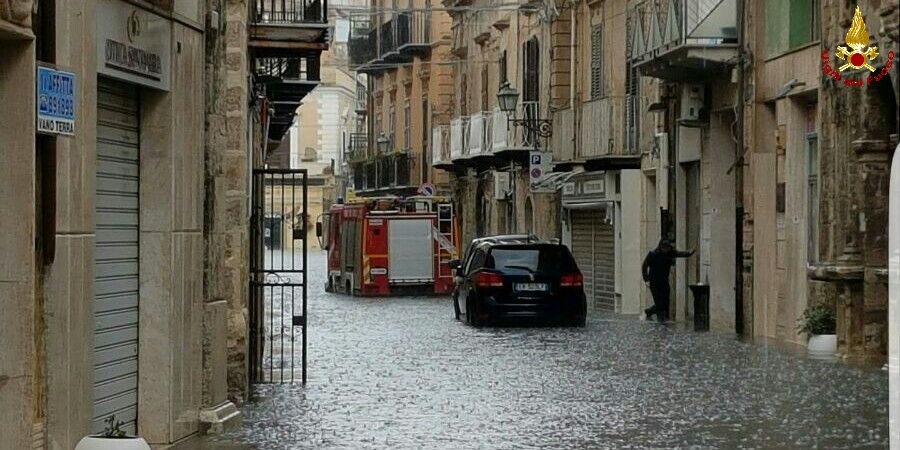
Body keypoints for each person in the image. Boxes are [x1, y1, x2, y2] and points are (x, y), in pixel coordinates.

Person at [641, 239, 694, 323]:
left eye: (667, 248)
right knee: (659, 302)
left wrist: (690, 253)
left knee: (665, 301)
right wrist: (646, 279)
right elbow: (644, 266)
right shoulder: (653, 254)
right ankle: (657, 317)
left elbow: (680, 254)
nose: (666, 250)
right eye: (664, 248)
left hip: (664, 281)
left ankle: (650, 312)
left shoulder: (670, 254)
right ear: (661, 247)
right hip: (654, 281)